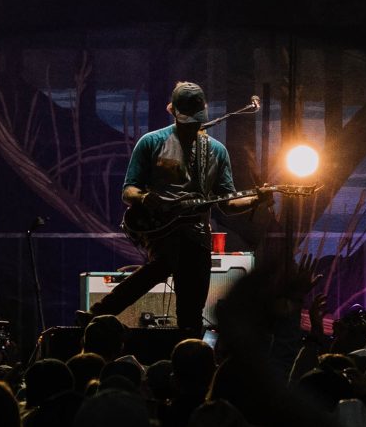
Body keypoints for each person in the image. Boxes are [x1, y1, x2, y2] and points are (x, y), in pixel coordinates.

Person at [91, 82, 257, 335]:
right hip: (160, 227)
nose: (191, 125)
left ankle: (188, 350)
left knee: (191, 310)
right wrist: (146, 198)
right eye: (185, 120)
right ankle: (100, 312)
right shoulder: (152, 142)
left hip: (198, 233)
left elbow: (227, 205)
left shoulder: (216, 151)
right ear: (173, 112)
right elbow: (128, 191)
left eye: (195, 120)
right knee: (168, 259)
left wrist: (257, 199)